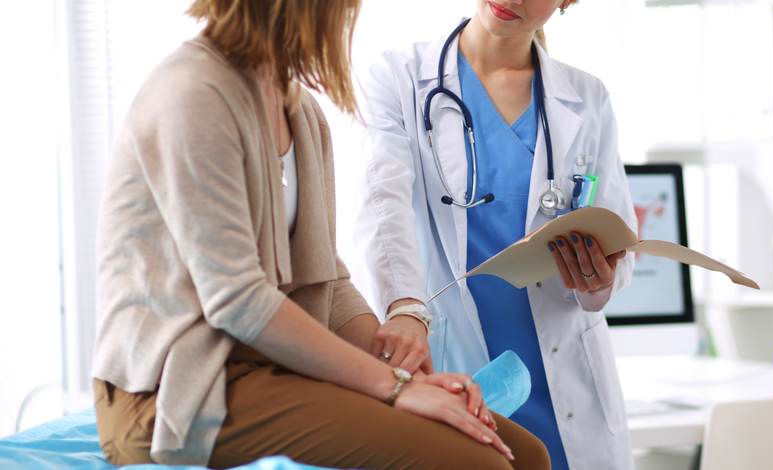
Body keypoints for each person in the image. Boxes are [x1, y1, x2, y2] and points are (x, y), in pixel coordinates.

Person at [89, 1, 551, 469]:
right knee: (481, 464)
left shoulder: (300, 110)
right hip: (177, 391)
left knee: (526, 454)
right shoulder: (194, 93)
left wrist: (402, 371)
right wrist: (392, 387)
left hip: (267, 369)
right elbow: (237, 298)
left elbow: (326, 277)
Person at [355, 1, 638, 469]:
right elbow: (380, 203)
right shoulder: (398, 78)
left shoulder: (587, 98)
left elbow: (618, 235)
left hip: (567, 384)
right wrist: (403, 306)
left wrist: (601, 278)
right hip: (461, 368)